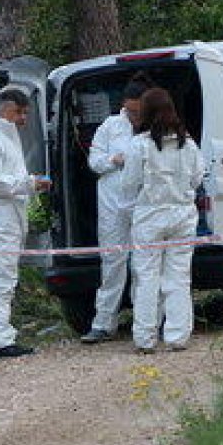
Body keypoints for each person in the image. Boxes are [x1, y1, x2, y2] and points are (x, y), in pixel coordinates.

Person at [0, 87, 52, 359]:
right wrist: (29, 184)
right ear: (4, 110)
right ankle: (0, 340)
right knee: (0, 280)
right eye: (20, 112)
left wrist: (31, 186)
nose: (23, 118)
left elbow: (5, 181)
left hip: (7, 218)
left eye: (26, 112)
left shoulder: (6, 140)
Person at [120, 88, 204, 353]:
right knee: (179, 276)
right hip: (182, 215)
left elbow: (128, 184)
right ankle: (177, 336)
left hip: (150, 217)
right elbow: (198, 178)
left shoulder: (140, 145)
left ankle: (145, 338)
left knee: (147, 277)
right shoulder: (188, 144)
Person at [79, 72, 151, 344]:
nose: (134, 116)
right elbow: (94, 161)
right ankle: (103, 322)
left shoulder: (155, 128)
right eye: (130, 110)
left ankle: (145, 322)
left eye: (139, 111)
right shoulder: (110, 126)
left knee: (144, 263)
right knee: (112, 261)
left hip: (143, 203)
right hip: (111, 204)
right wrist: (115, 159)